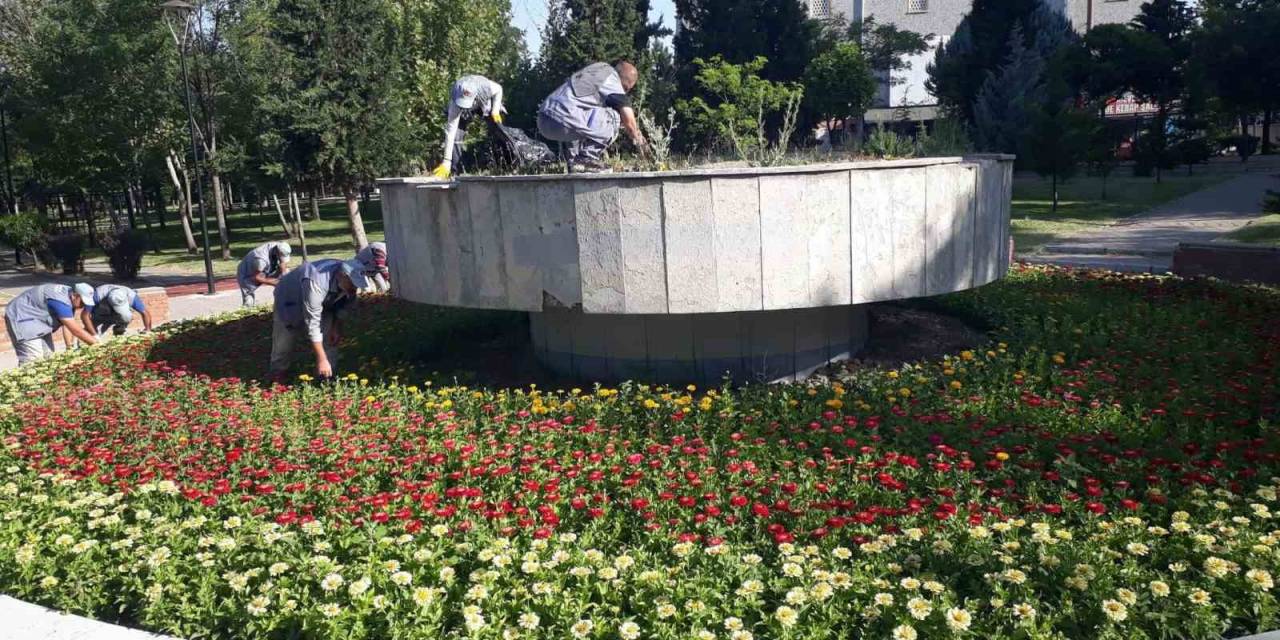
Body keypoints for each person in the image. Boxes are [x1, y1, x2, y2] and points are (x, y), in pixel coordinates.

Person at [537, 61, 648, 172]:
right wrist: (641, 145)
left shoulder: (596, 69)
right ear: (626, 86)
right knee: (614, 117)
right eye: (627, 89)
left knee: (584, 116)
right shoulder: (613, 80)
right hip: (562, 120)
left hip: (544, 119)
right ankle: (586, 159)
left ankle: (574, 163)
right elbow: (630, 123)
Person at [270, 259, 368, 379]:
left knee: (330, 337)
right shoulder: (315, 281)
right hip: (289, 298)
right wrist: (321, 359)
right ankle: (278, 373)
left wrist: (336, 327)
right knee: (285, 339)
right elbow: (312, 323)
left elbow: (344, 307)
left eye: (357, 284)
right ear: (341, 275)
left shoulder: (349, 282)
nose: (355, 288)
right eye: (353, 283)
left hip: (325, 299)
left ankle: (326, 377)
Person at [3, 283, 99, 365]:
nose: (83, 306)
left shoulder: (69, 298)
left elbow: (67, 325)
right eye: (83, 302)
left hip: (37, 321)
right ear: (75, 296)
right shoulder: (60, 301)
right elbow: (76, 330)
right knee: (33, 360)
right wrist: (98, 345)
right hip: (21, 317)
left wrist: (69, 347)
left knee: (49, 358)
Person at [431, 75, 505, 179]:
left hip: (484, 101)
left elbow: (499, 89)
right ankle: (456, 171)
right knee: (456, 135)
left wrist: (495, 110)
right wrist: (446, 161)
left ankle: (504, 162)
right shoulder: (455, 103)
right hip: (466, 103)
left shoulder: (486, 87)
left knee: (498, 124)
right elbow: (450, 132)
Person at [237, 241, 292, 307]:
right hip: (248, 274)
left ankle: (283, 303)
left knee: (287, 273)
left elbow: (283, 262)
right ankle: (247, 312)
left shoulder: (279, 246)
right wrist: (276, 283)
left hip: (266, 268)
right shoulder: (261, 260)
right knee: (249, 302)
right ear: (277, 252)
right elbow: (257, 278)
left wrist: (283, 276)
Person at [86, 284, 153, 336]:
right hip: (102, 311)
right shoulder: (97, 295)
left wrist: (148, 329)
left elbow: (145, 313)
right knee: (94, 326)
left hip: (119, 313)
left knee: (126, 318)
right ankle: (92, 340)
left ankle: (119, 332)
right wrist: (94, 334)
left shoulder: (131, 296)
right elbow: (86, 315)